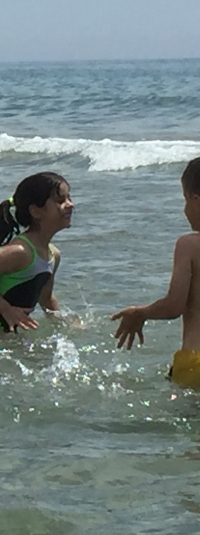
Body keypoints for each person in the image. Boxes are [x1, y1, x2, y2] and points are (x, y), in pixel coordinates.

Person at [112, 157, 200, 389]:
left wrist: (140, 312)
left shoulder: (190, 245)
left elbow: (174, 306)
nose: (185, 210)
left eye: (185, 199)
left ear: (196, 200)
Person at [0, 172, 73, 332]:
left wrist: (66, 325)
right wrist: (6, 309)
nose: (70, 204)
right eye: (60, 200)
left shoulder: (53, 255)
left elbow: (45, 298)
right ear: (36, 211)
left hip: (9, 334)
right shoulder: (19, 252)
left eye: (69, 198)